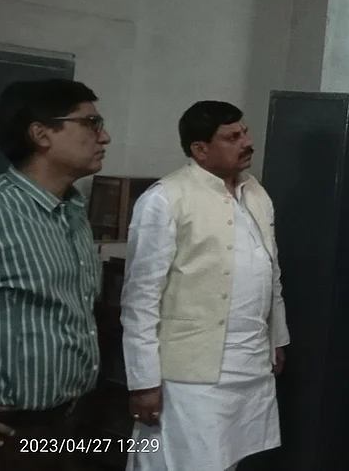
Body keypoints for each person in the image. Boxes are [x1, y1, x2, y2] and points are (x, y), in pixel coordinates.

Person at [120, 101, 289, 470]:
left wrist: (277, 339)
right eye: (232, 137)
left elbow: (270, 274)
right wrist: (143, 381)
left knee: (228, 461)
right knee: (182, 462)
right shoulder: (165, 198)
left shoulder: (256, 193)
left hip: (248, 364)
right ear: (200, 149)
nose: (247, 142)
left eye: (245, 132)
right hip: (188, 373)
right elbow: (140, 300)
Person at [0, 80, 108, 471]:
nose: (104, 136)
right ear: (40, 134)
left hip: (75, 422)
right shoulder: (2, 212)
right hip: (16, 429)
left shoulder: (73, 212)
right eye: (91, 123)